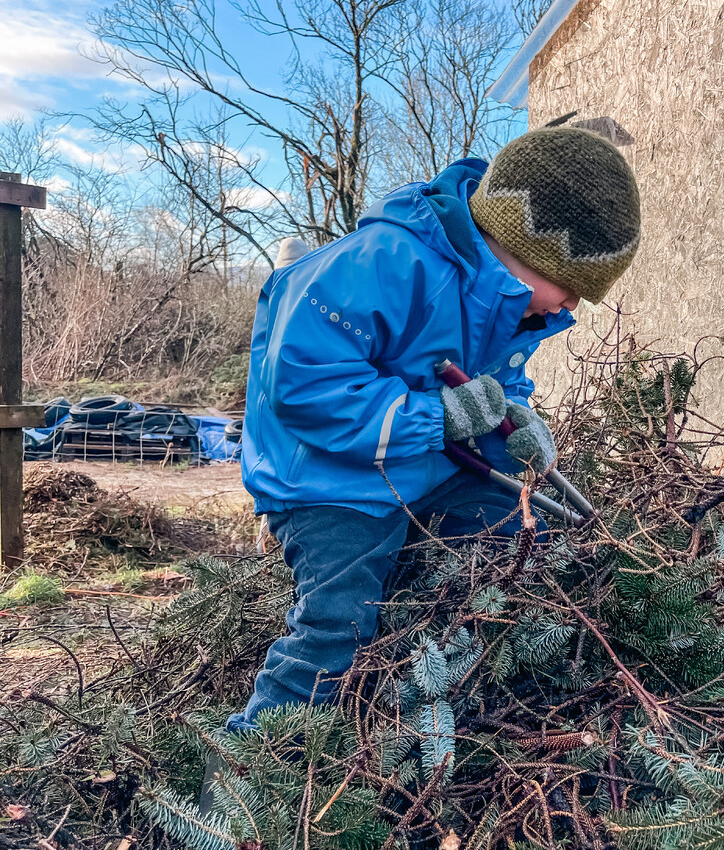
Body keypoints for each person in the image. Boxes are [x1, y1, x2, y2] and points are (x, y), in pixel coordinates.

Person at [228, 125, 641, 732]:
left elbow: (494, 385)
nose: (574, 306)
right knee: (338, 621)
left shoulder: (506, 299)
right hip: (331, 481)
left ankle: (436, 711)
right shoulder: (386, 262)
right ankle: (252, 770)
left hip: (431, 469)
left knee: (519, 546)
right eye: (574, 288)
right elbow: (303, 385)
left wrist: (514, 421)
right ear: (527, 248)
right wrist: (438, 417)